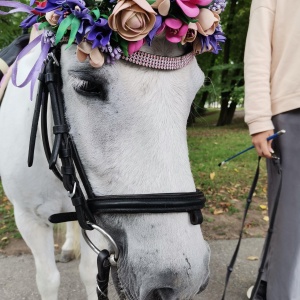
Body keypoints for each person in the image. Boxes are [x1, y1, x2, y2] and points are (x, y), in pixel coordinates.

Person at [244, 0, 300, 299]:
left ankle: (267, 281)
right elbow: (257, 49)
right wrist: (259, 119)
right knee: (290, 221)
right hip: (292, 109)